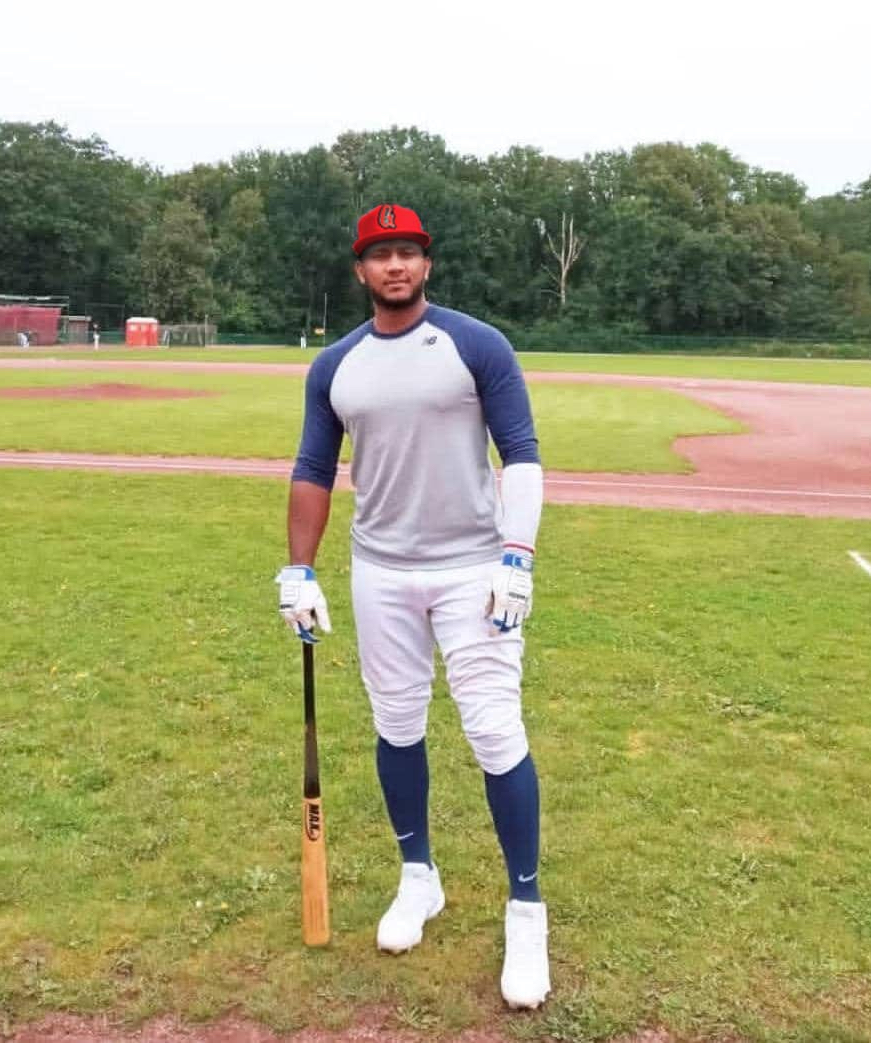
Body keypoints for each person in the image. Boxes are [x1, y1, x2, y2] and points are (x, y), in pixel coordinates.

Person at [276, 204, 548, 1008]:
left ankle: (526, 909)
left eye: (407, 252)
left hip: (474, 569)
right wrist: (299, 570)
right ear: (360, 269)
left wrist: (517, 556)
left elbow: (521, 453)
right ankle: (418, 875)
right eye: (379, 253)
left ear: (426, 263)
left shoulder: (478, 344)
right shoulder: (336, 365)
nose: (394, 265)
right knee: (397, 724)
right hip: (381, 572)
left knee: (494, 728)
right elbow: (313, 468)